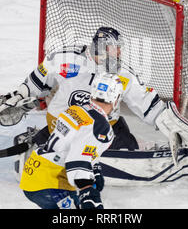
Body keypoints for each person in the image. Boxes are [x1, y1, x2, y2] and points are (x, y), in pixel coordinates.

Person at [0, 27, 164, 151]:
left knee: (129, 151)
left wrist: (168, 123)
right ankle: (40, 137)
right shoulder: (66, 60)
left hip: (108, 129)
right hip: (63, 126)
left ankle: (132, 146)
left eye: (120, 48)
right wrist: (19, 96)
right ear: (101, 48)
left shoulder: (123, 75)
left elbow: (148, 105)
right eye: (115, 48)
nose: (119, 53)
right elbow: (37, 81)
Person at [20, 73, 123, 209]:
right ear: (116, 99)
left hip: (33, 173)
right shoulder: (101, 127)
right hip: (50, 183)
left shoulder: (76, 110)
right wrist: (88, 193)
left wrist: (94, 168)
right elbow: (76, 160)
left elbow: (77, 145)